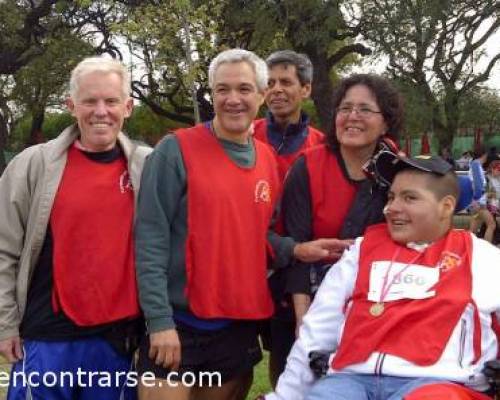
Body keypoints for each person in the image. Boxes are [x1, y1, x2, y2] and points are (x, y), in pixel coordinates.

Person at [134, 48, 348, 400]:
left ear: (262, 96)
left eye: (245, 89)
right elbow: (150, 238)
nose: (233, 99)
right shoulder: (175, 150)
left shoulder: (265, 158)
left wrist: (295, 249)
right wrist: (159, 322)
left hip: (235, 328)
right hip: (178, 326)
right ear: (212, 94)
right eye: (223, 89)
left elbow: (254, 233)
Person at [264, 153, 500, 400]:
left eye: (409, 198)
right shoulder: (361, 251)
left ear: (446, 206)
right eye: (391, 197)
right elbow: (317, 329)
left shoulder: (483, 259)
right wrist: (284, 396)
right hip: (349, 381)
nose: (391, 208)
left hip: (439, 383)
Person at [0, 56, 151, 399]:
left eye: (111, 101)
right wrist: (5, 323)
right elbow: (3, 248)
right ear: (71, 106)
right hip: (46, 338)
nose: (101, 111)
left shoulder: (147, 166)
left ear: (127, 107)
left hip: (116, 342)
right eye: (89, 101)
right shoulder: (32, 165)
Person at [266, 74, 404, 385]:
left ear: (385, 123)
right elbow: (297, 245)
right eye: (346, 108)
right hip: (303, 298)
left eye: (365, 109)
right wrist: (305, 322)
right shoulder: (308, 167)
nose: (353, 117)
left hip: (375, 309)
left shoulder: (400, 173)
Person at [253, 50, 324, 181]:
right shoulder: (247, 135)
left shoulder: (322, 146)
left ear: (306, 89)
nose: (276, 89)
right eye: (270, 83)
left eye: (285, 82)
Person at [469, 148, 496, 243]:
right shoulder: (476, 165)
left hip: (476, 202)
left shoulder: (476, 165)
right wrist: (479, 200)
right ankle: (487, 249)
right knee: (491, 224)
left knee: (473, 230)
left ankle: (469, 247)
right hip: (479, 202)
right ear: (484, 155)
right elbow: (478, 185)